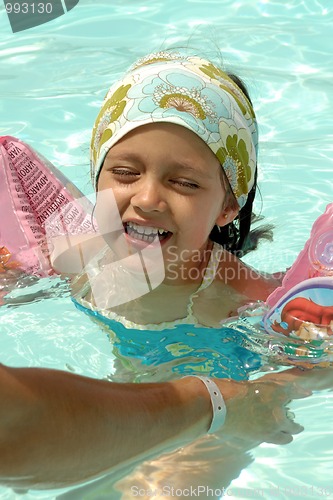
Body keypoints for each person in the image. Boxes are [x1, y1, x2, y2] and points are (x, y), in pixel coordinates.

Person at [0, 50, 332, 493]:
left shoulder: (243, 297)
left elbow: (310, 360)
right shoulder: (80, 253)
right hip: (124, 404)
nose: (147, 198)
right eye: (124, 172)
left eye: (184, 183)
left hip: (218, 405)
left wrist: (283, 382)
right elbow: (34, 278)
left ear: (228, 205)